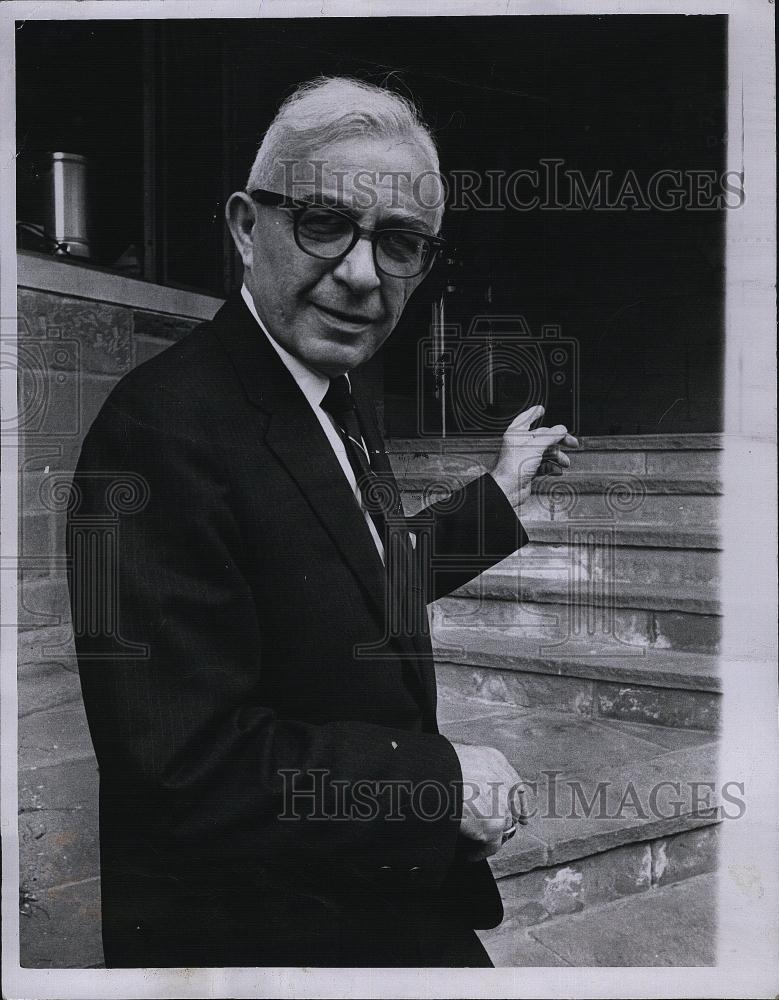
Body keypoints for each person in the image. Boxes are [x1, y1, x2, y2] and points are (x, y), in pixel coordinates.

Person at [67, 76, 577, 968]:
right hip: (261, 937)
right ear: (242, 225)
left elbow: (351, 575)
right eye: (322, 222)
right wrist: (437, 787)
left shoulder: (328, 390)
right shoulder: (153, 431)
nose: (358, 272)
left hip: (366, 894)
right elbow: (178, 766)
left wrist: (496, 492)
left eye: (398, 242)